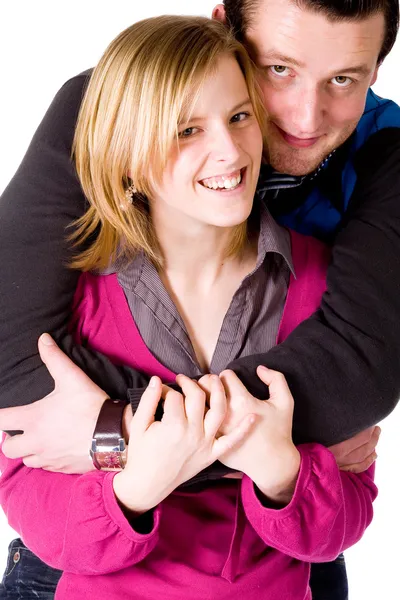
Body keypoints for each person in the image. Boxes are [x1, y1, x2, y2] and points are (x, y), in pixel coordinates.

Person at [0, 0, 398, 597]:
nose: (303, 116)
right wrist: (259, 438)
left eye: (344, 79)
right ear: (225, 30)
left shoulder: (357, 211)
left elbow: (360, 372)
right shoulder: (113, 104)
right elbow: (15, 381)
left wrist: (117, 431)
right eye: (279, 69)